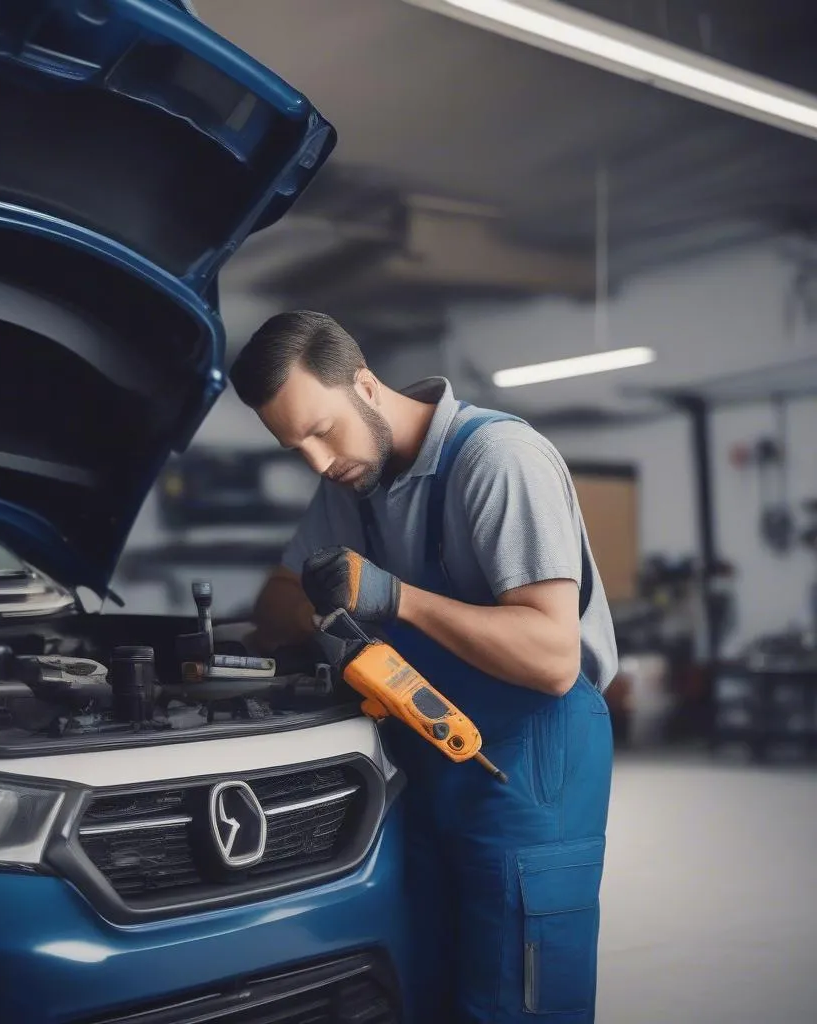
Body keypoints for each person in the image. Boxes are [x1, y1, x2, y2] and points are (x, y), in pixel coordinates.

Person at [228, 310, 617, 1024]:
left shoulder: (498, 460)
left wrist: (393, 597)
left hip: (533, 764)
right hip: (429, 764)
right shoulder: (356, 480)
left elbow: (555, 658)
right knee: (430, 990)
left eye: (321, 430)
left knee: (516, 1001)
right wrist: (321, 610)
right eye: (295, 447)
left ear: (366, 387)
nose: (317, 462)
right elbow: (276, 598)